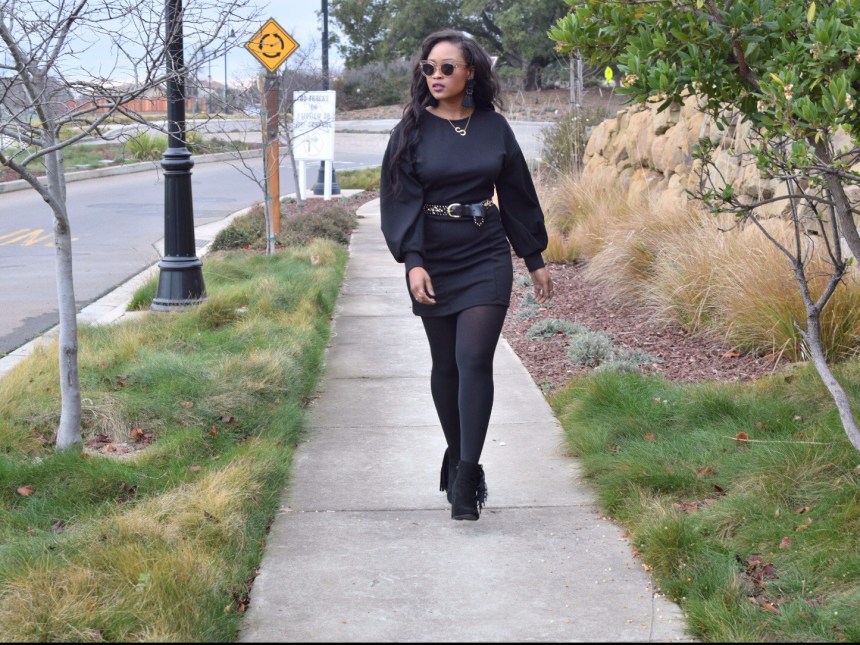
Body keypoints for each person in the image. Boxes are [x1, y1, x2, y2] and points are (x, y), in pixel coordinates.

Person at [380, 29, 553, 521]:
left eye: (447, 68)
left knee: (474, 357)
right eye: (428, 68)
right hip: (433, 255)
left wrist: (534, 258)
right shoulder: (410, 130)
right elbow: (399, 201)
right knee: (446, 365)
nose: (435, 76)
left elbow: (517, 192)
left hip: (485, 251)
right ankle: (456, 453)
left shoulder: (494, 127)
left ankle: (467, 475)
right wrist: (413, 261)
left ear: (470, 72)